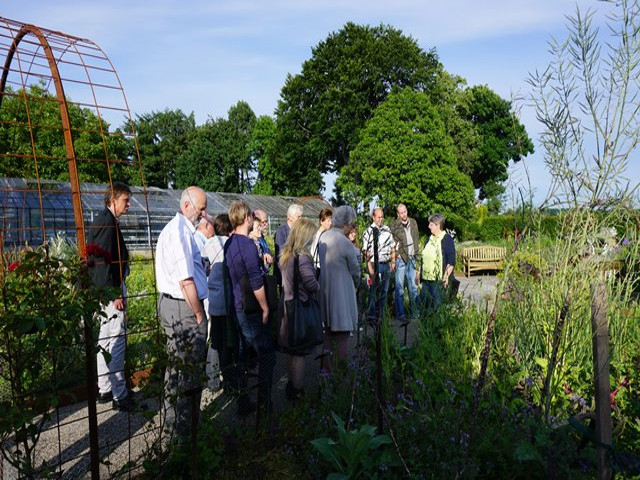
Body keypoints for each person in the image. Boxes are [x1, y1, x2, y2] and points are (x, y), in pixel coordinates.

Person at [155, 186, 208, 439]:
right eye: (201, 208)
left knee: (177, 368)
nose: (204, 213)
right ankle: (182, 434)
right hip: (183, 308)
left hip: (176, 306)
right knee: (187, 371)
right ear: (187, 206)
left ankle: (176, 429)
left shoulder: (177, 230)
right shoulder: (179, 233)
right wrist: (198, 314)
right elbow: (186, 282)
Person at [225, 200, 276, 417]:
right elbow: (256, 281)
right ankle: (264, 403)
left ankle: (243, 400)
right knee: (267, 353)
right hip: (248, 307)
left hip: (235, 305)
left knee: (243, 355)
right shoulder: (246, 244)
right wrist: (265, 307)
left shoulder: (229, 242)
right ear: (247, 218)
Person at [87, 182, 134, 411]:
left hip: (104, 290)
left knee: (105, 339)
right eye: (126, 200)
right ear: (113, 200)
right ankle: (119, 394)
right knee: (116, 340)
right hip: (111, 289)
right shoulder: (107, 223)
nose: (129, 205)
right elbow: (101, 260)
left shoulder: (104, 220)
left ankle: (105, 388)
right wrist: (115, 292)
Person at [278, 218, 320, 402]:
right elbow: (310, 283)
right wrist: (319, 286)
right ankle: (297, 390)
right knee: (300, 353)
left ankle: (291, 386)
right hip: (299, 309)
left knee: (292, 350)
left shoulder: (286, 254)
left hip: (288, 306)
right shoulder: (302, 258)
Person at [318, 206, 360, 371]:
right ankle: (339, 374)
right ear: (347, 223)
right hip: (341, 292)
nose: (352, 227)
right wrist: (358, 285)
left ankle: (325, 372)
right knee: (342, 336)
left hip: (326, 289)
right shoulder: (344, 242)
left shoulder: (324, 236)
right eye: (351, 224)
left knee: (327, 334)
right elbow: (356, 271)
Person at [202, 214, 234, 390]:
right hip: (228, 300)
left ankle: (212, 379)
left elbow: (204, 269)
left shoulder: (208, 244)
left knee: (215, 341)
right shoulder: (229, 244)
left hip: (212, 299)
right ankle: (229, 379)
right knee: (227, 342)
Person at [416, 213, 456, 312]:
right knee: (424, 307)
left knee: (438, 308)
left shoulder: (446, 239)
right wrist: (418, 272)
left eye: (431, 224)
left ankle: (438, 326)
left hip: (438, 281)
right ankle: (425, 326)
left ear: (438, 225)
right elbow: (423, 258)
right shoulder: (428, 239)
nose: (429, 226)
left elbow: (451, 261)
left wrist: (446, 276)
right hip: (426, 281)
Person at [362, 207, 396, 320]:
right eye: (378, 217)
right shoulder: (368, 232)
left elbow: (392, 246)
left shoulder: (387, 230)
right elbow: (365, 251)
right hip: (374, 264)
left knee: (384, 291)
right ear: (373, 217)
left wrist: (393, 261)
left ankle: (381, 315)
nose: (380, 219)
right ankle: (371, 316)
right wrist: (370, 268)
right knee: (373, 291)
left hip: (386, 264)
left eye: (382, 217)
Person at [390, 204, 420, 322]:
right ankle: (400, 314)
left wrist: (417, 257)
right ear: (398, 214)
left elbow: (416, 240)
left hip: (412, 258)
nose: (404, 214)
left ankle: (414, 313)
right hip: (401, 259)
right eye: (401, 213)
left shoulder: (413, 222)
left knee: (413, 287)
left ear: (407, 211)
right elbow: (393, 244)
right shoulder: (395, 225)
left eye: (405, 212)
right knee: (400, 288)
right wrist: (395, 257)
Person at [274, 204, 303, 289]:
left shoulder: (298, 231)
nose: (300, 219)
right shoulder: (281, 231)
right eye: (299, 217)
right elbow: (281, 254)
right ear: (290, 217)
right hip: (284, 272)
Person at [310, 207, 333, 274]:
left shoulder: (327, 234)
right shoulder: (316, 235)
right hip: (318, 268)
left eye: (331, 220)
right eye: (328, 220)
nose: (330, 223)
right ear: (321, 221)